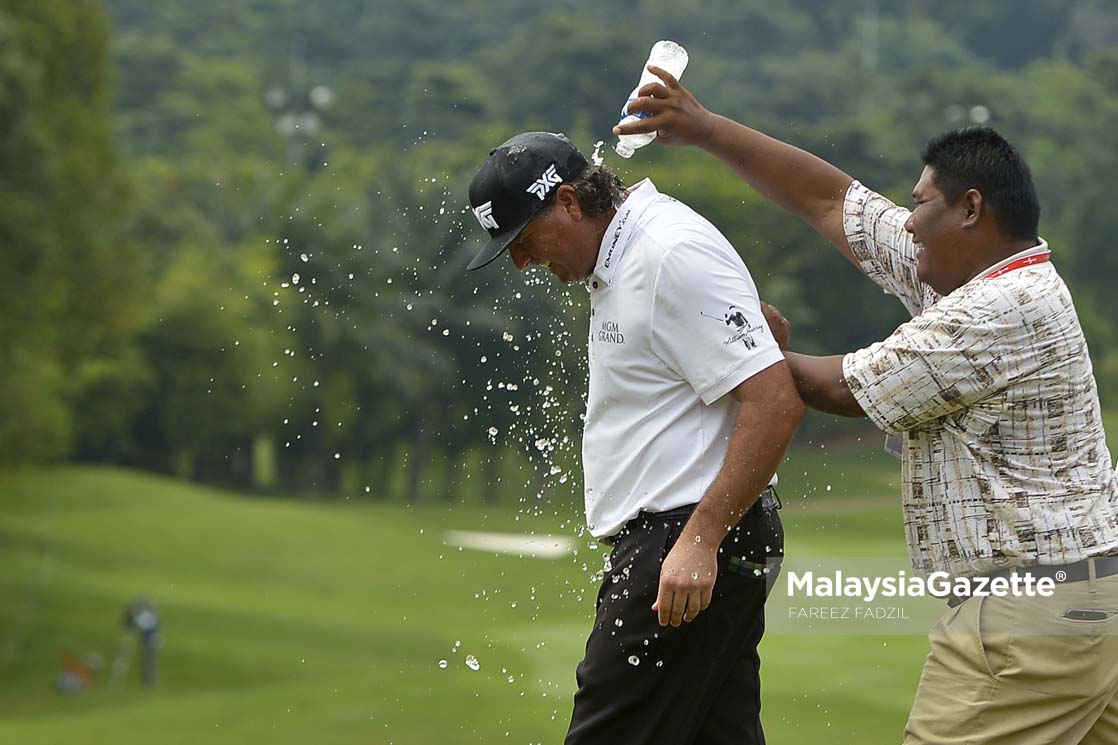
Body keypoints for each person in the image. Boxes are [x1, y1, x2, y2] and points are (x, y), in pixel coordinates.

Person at [614, 67, 1118, 743]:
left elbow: (842, 386)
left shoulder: (999, 309)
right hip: (1085, 607)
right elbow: (831, 201)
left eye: (921, 204)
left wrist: (720, 343)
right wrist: (704, 128)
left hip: (1028, 619)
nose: (907, 221)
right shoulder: (979, 276)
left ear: (971, 209)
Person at [466, 131, 804, 744]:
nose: (521, 262)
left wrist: (700, 541)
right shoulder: (623, 259)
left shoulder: (664, 252)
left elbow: (775, 401)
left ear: (569, 201)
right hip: (691, 542)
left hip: (684, 543)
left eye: (523, 240)